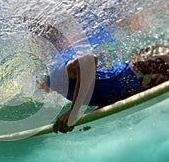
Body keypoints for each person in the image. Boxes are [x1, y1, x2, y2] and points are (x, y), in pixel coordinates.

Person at [29, 21, 169, 134]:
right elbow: (106, 93)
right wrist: (91, 118)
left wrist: (74, 111)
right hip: (142, 79)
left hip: (146, 66)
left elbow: (89, 61)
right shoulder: (56, 82)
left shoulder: (58, 72)